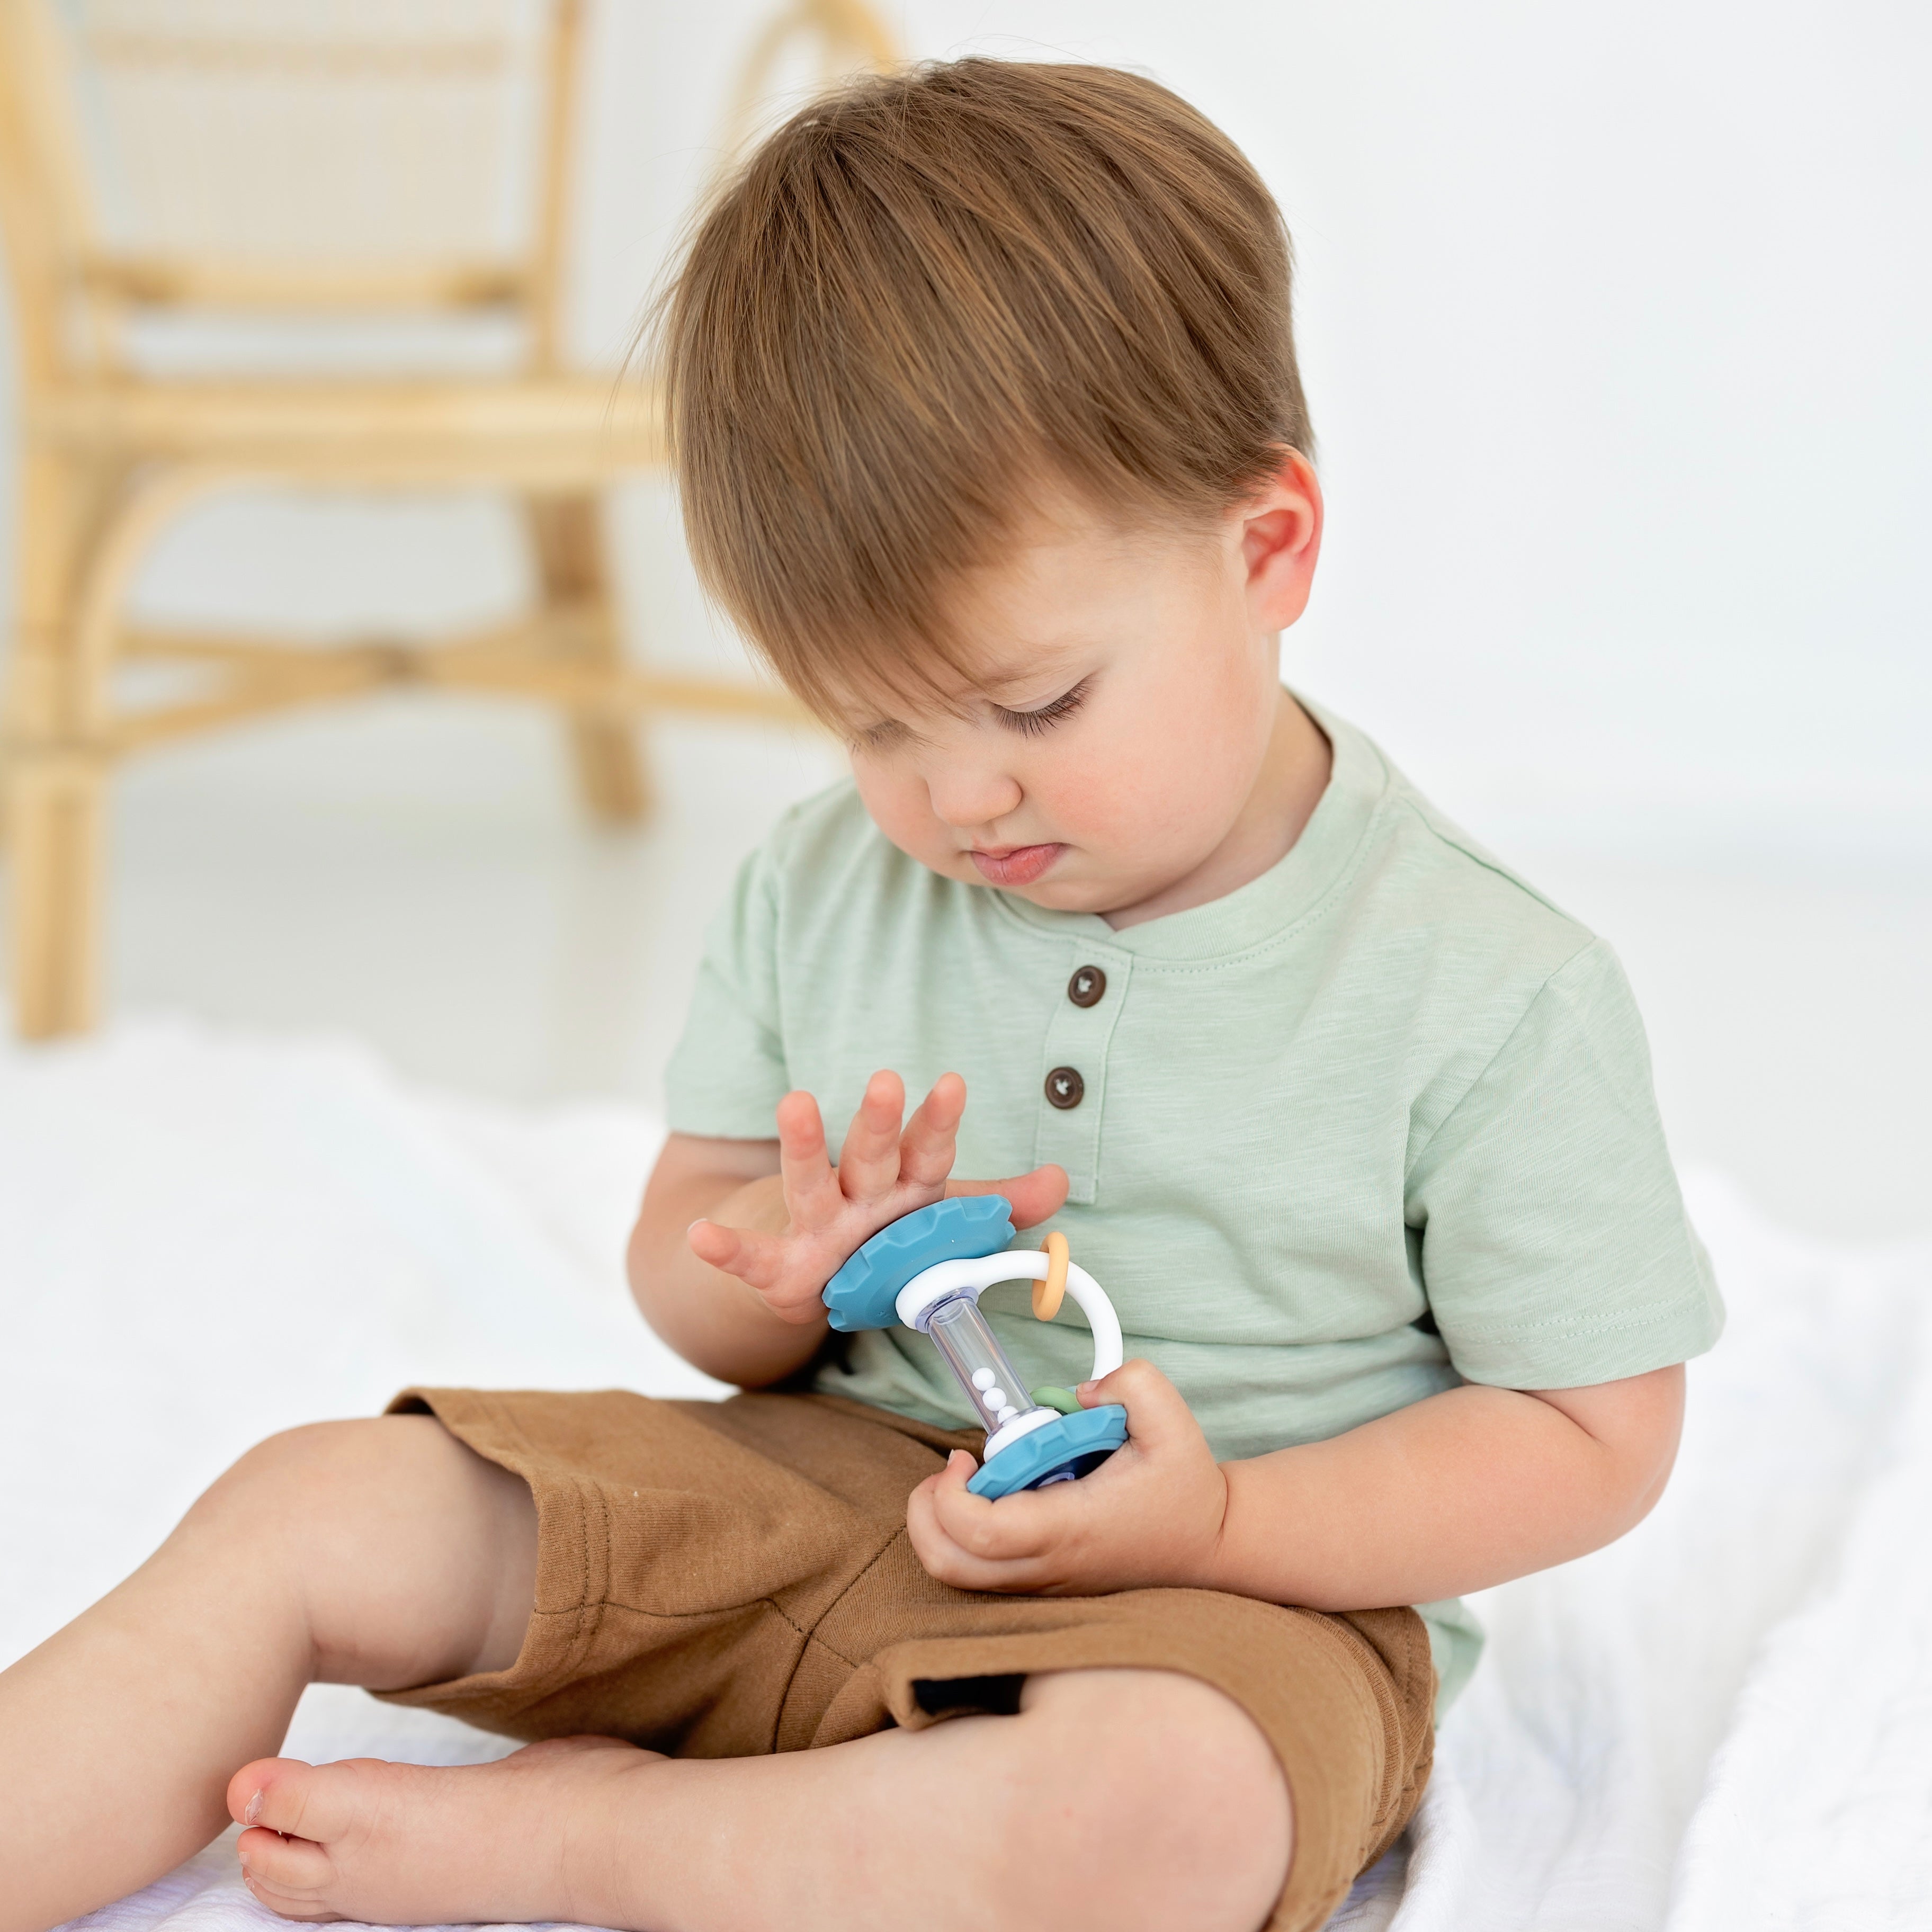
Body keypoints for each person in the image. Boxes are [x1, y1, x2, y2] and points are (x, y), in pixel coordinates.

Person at [0, 58, 1721, 1932]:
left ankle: (592, 1843)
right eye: (872, 722)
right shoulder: (825, 884)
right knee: (312, 1498)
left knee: (1156, 1821)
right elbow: (692, 1273)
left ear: (1268, 549)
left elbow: (1590, 1433)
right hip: (807, 1488)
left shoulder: (1486, 986)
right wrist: (769, 1260)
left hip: (1220, 1609)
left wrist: (1226, 1520)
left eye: (1037, 703)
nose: (954, 798)